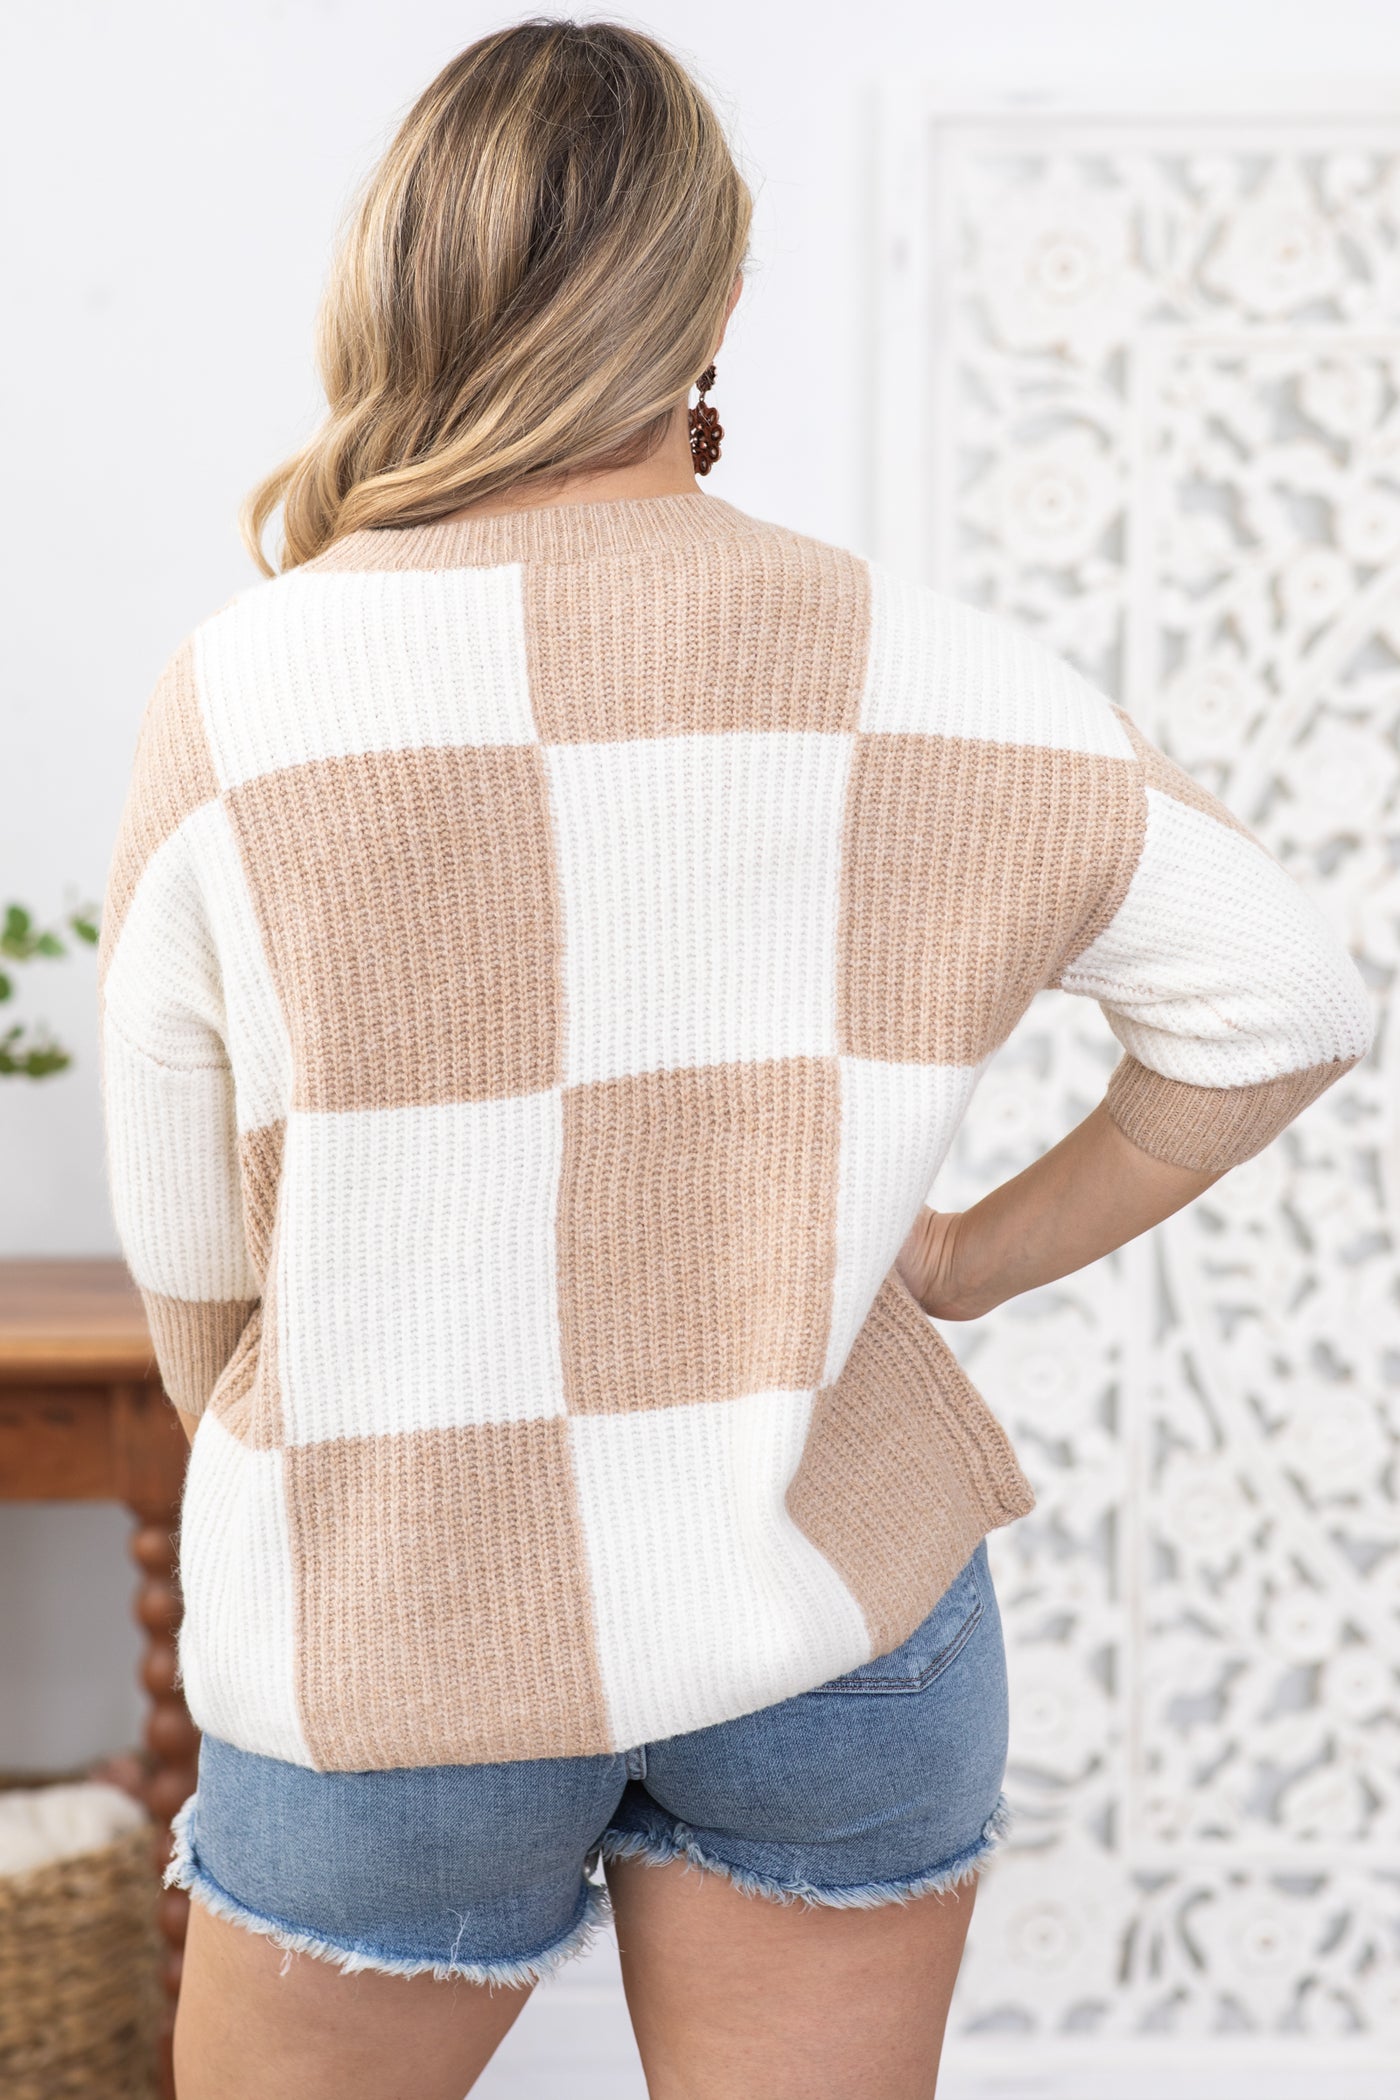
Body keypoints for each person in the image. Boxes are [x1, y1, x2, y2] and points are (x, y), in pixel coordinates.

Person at [97, 19, 1374, 2099]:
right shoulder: (919, 669)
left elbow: (191, 1270)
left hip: (392, 1621)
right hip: (829, 1607)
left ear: (399, 278)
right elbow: (1288, 997)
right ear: (715, 298)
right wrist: (957, 1261)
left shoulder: (246, 694)